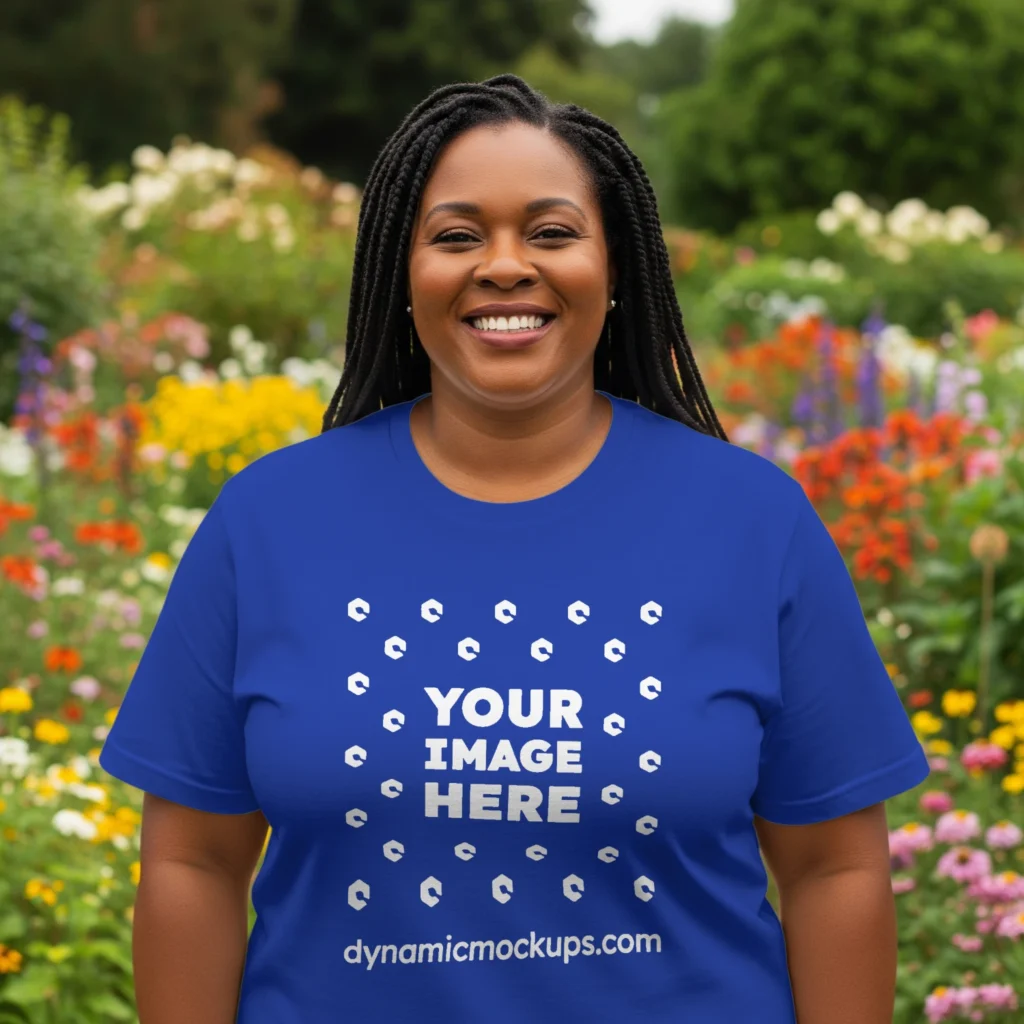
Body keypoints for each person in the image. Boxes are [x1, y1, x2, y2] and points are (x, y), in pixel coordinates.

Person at [99, 74, 930, 1024]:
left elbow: (836, 867)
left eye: (551, 232)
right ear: (398, 274)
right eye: (456, 236)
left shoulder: (754, 522)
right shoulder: (267, 523)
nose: (504, 266)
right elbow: (192, 862)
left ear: (614, 267)